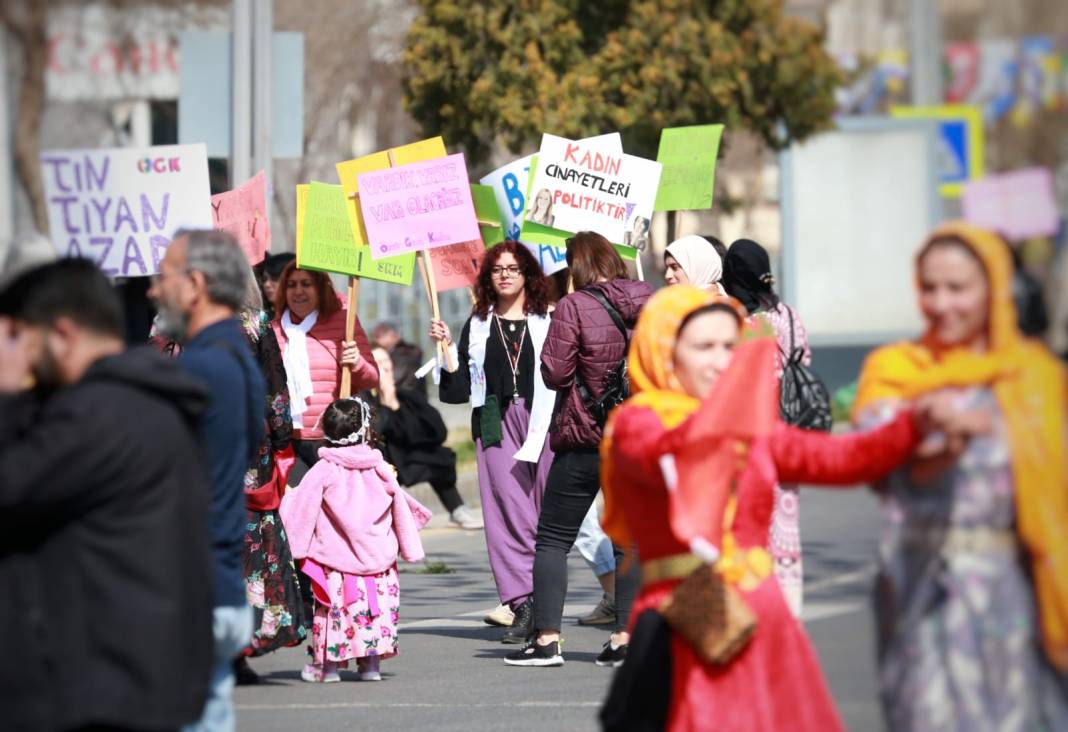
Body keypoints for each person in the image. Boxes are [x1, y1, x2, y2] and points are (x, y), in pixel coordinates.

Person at [597, 285, 947, 732]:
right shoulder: (638, 422)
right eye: (704, 347)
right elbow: (670, 454)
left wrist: (915, 426)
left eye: (730, 346)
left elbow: (840, 458)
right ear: (665, 351)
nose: (722, 360)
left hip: (764, 618)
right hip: (686, 617)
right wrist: (731, 411)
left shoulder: (750, 428)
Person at [852, 222, 1068, 730]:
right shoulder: (896, 370)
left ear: (992, 288)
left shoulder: (1034, 376)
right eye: (930, 288)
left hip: (1011, 592)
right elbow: (869, 455)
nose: (942, 303)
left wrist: (986, 425)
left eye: (958, 288)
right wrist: (921, 426)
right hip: (916, 586)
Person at [0, 259, 214, 731]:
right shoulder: (136, 402)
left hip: (101, 688)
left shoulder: (100, 413)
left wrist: (7, 396)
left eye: (19, 342)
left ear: (61, 333)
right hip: (127, 676)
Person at [506, 231, 652, 668]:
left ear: (577, 268)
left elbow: (554, 373)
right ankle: (626, 637)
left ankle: (547, 639)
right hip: (637, 438)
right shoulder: (650, 298)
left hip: (585, 437)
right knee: (631, 541)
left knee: (553, 538)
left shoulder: (574, 306)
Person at [149, 229, 266, 732]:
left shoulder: (204, 365)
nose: (154, 290)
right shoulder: (228, 354)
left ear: (195, 283)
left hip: (193, 588)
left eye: (164, 277)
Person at [429, 240, 556, 644]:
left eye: (513, 268)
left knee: (544, 516)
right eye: (498, 269)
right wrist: (447, 352)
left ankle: (546, 598)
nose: (504, 274)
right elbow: (457, 391)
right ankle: (523, 603)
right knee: (509, 516)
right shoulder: (478, 324)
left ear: (527, 276)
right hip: (495, 425)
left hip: (544, 423)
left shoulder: (549, 319)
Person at [280, 397, 431, 683]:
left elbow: (301, 508)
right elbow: (400, 506)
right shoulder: (381, 469)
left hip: (337, 564)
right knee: (372, 613)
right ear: (367, 430)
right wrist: (409, 546)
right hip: (378, 563)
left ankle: (327, 668)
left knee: (335, 614)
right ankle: (370, 665)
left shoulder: (324, 470)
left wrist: (295, 539)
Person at [723, 237, 813, 616]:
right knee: (785, 528)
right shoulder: (789, 316)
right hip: (788, 434)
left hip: (747, 442)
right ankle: (788, 610)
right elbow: (803, 363)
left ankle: (755, 609)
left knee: (746, 530)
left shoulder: (738, 323)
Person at [233, 276, 307, 683]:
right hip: (247, 448)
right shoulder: (253, 323)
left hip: (191, 448)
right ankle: (242, 642)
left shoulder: (169, 323)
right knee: (251, 546)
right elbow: (275, 393)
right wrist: (281, 441)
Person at [271, 262, 379, 468]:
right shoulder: (272, 329)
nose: (298, 291)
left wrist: (357, 363)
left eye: (306, 284)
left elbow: (372, 379)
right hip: (286, 441)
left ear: (321, 288)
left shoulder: (344, 322)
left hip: (333, 438)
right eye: (291, 285)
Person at [368, 346, 483, 530]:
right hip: (387, 459)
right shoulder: (367, 400)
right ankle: (384, 519)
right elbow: (379, 431)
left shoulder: (406, 395)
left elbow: (432, 429)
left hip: (410, 456)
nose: (386, 368)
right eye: (379, 363)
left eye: (386, 362)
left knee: (439, 457)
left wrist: (394, 403)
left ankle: (457, 509)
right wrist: (385, 404)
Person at [372, 320, 426, 394]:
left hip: (407, 400)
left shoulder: (406, 354)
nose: (376, 340)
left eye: (378, 336)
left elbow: (393, 379)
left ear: (392, 334)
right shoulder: (404, 352)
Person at [259, 252, 295, 318]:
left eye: (274, 278)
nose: (267, 284)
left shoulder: (312, 318)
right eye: (264, 279)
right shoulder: (260, 319)